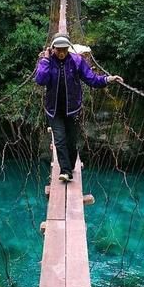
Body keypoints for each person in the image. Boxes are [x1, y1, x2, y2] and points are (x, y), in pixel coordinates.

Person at [35, 34, 123, 182]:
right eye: (58, 49)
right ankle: (66, 171)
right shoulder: (47, 61)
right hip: (54, 110)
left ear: (68, 48)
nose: (61, 52)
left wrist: (108, 79)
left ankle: (70, 165)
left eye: (64, 49)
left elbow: (91, 79)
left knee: (71, 141)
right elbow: (40, 80)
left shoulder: (77, 61)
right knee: (60, 140)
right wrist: (45, 59)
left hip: (72, 109)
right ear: (53, 48)